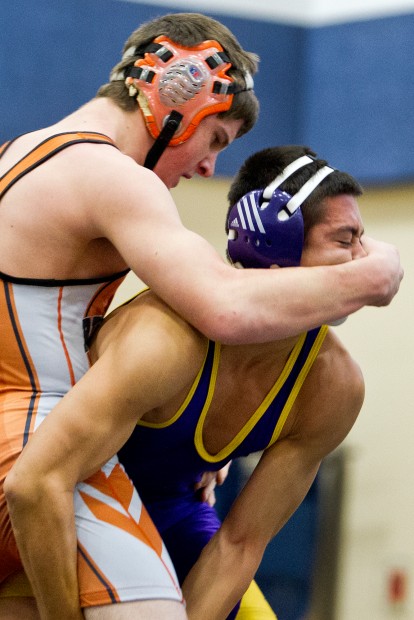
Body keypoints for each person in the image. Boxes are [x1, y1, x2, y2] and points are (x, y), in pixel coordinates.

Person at [0, 8, 402, 619]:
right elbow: (224, 307)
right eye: (215, 139)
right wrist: (370, 276)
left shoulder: (25, 153)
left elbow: (241, 544)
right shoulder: (112, 179)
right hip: (27, 439)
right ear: (174, 95)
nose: (209, 167)